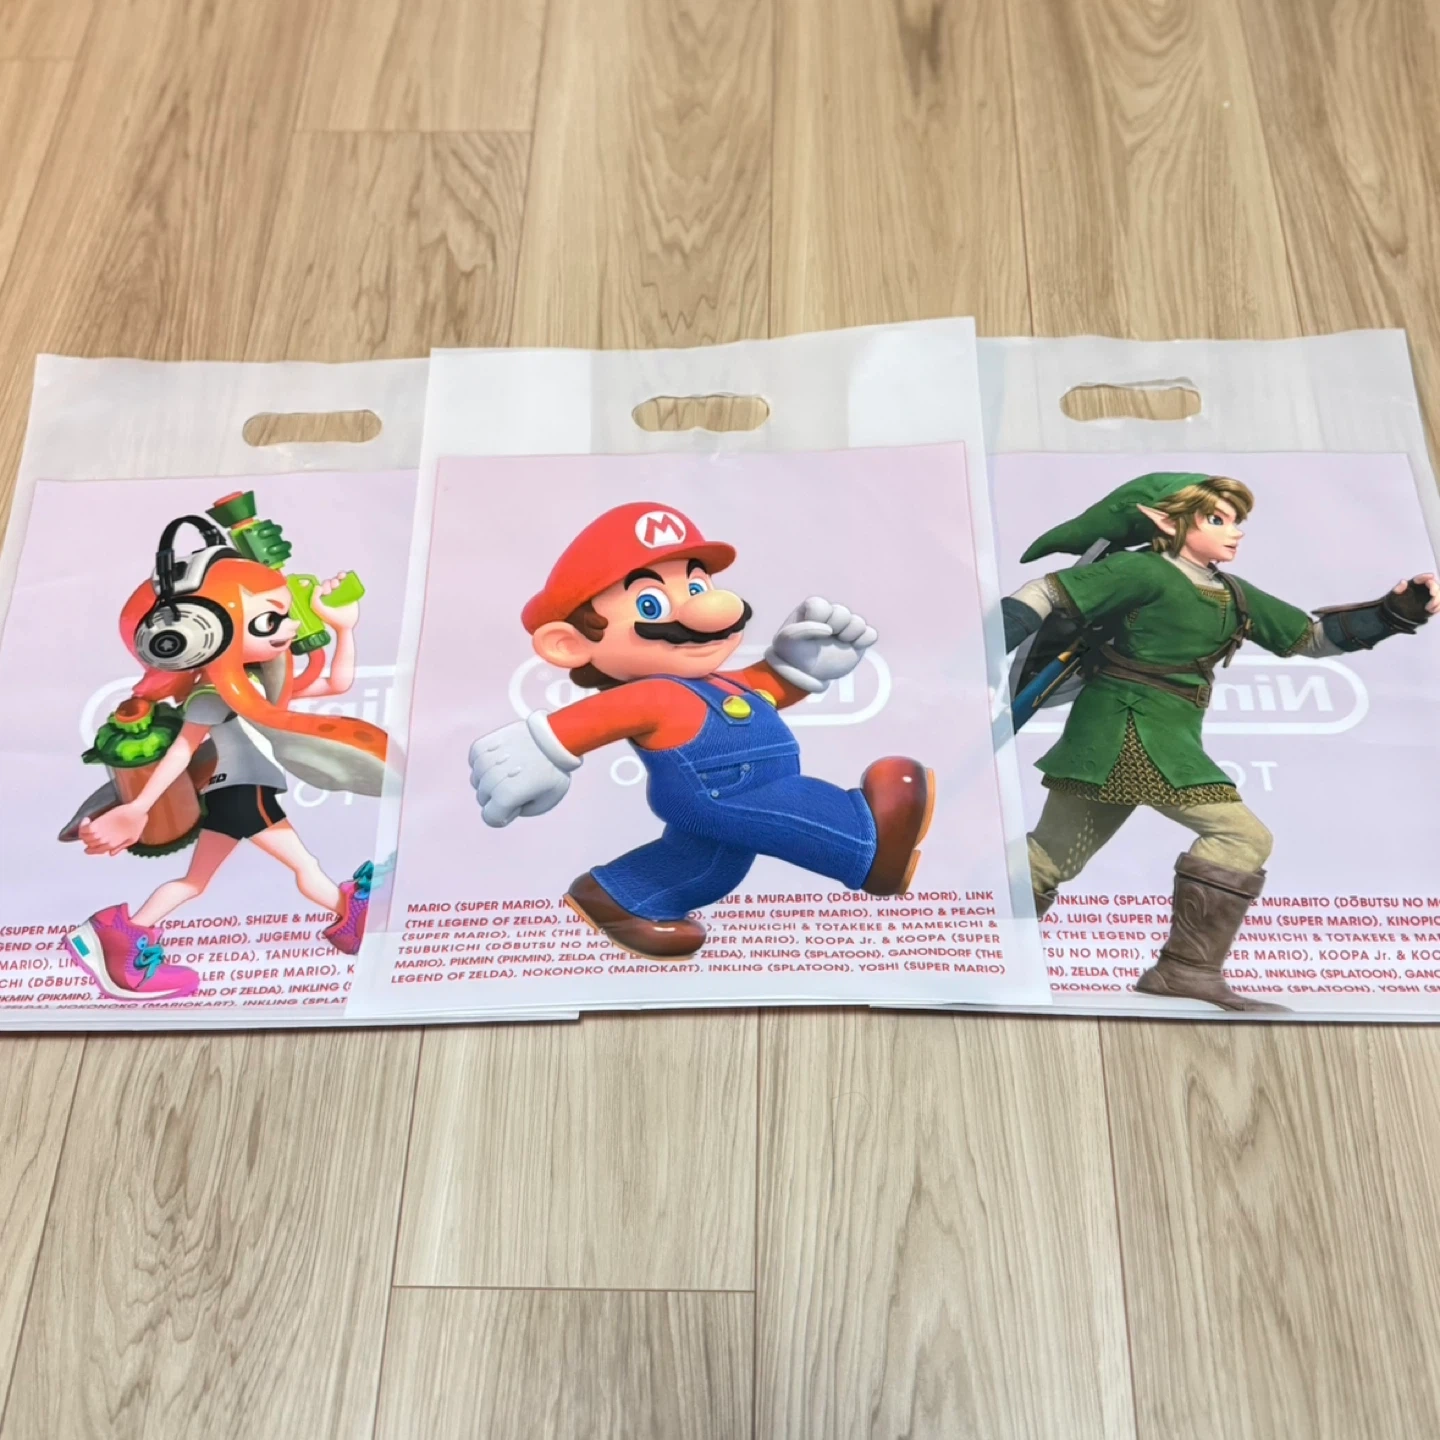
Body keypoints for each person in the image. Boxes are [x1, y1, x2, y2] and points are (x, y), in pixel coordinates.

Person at [1004, 471, 1438, 1012]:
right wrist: (991, 638)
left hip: (1151, 729)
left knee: (1049, 859)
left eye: (1236, 521)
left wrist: (1394, 613)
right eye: (1216, 519)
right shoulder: (1142, 570)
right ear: (1167, 522)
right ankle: (1184, 972)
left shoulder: (1233, 593)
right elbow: (1047, 591)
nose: (1234, 532)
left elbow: (1310, 638)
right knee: (1242, 839)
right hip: (1130, 726)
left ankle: (978, 936)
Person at [467, 501, 934, 960]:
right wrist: (539, 748)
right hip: (719, 793)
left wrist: (797, 666)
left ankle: (625, 897)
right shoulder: (653, 695)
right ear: (569, 644)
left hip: (727, 792)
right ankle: (865, 846)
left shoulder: (719, 680)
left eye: (696, 586)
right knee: (790, 805)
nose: (710, 609)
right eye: (650, 603)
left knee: (709, 862)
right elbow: (591, 721)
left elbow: (764, 690)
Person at [67, 520, 387, 1000]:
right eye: (270, 621)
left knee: (195, 882)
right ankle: (352, 917)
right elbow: (184, 748)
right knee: (304, 864)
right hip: (242, 788)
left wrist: (344, 629)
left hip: (234, 792)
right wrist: (138, 807)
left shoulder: (255, 683)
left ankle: (117, 930)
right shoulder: (212, 694)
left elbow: (336, 684)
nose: (291, 627)